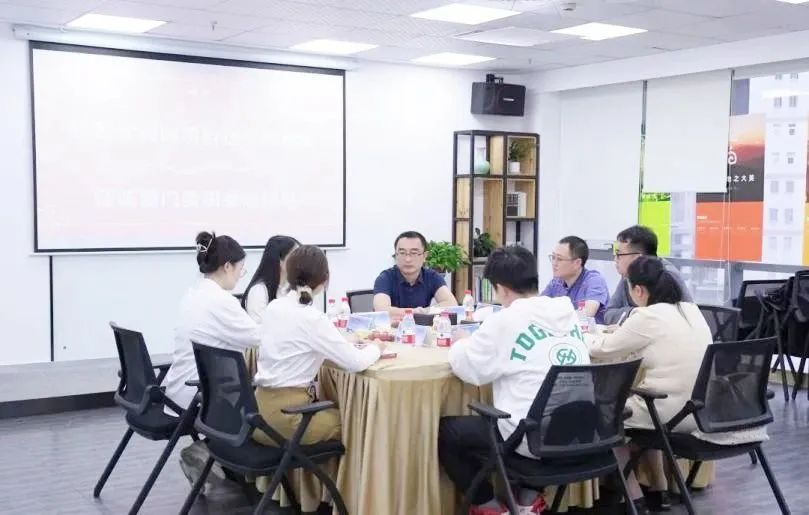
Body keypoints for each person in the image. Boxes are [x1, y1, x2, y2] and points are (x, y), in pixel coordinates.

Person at [589, 256, 763, 511]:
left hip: (672, 414)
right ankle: (658, 488)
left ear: (638, 290)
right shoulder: (691, 310)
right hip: (707, 412)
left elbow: (603, 349)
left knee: (608, 417)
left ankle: (634, 496)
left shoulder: (647, 317)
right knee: (641, 407)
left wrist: (579, 337)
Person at [438, 246, 590, 515]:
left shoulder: (506, 320)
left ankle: (489, 506)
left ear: (502, 289)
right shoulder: (567, 314)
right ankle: (527, 500)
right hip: (580, 434)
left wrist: (461, 342)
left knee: (448, 432)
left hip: (531, 439)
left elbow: (470, 369)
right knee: (537, 409)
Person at [254, 245, 385, 447]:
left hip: (259, 416)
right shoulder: (312, 318)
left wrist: (345, 341)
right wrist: (376, 347)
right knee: (359, 424)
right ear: (324, 280)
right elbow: (356, 363)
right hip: (287, 419)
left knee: (336, 415)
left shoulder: (275, 307)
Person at [162, 231, 261, 490]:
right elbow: (258, 338)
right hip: (202, 398)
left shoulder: (194, 293)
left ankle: (214, 456)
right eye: (240, 269)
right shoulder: (220, 301)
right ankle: (211, 453)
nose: (240, 275)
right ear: (227, 266)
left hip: (183, 391)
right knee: (269, 401)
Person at [604, 225, 692, 325]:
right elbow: (609, 314)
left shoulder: (665, 275)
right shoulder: (628, 274)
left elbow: (670, 320)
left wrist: (637, 316)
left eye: (619, 254)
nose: (615, 259)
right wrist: (634, 313)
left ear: (637, 257)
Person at [372, 230, 457, 317]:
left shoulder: (432, 277)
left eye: (414, 253)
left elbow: (452, 304)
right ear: (396, 255)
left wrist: (423, 311)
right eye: (402, 253)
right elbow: (381, 309)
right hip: (393, 325)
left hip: (422, 325)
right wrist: (416, 312)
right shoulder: (385, 278)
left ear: (424, 256)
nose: (408, 259)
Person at [541, 235, 610, 324]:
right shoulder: (556, 282)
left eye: (559, 259)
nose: (554, 263)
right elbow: (538, 306)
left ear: (577, 263)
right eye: (553, 257)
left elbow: (587, 313)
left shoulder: (594, 280)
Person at [242, 235, 299, 323]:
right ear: (279, 260)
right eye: (295, 256)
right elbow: (261, 327)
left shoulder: (291, 288)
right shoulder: (259, 291)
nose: (300, 261)